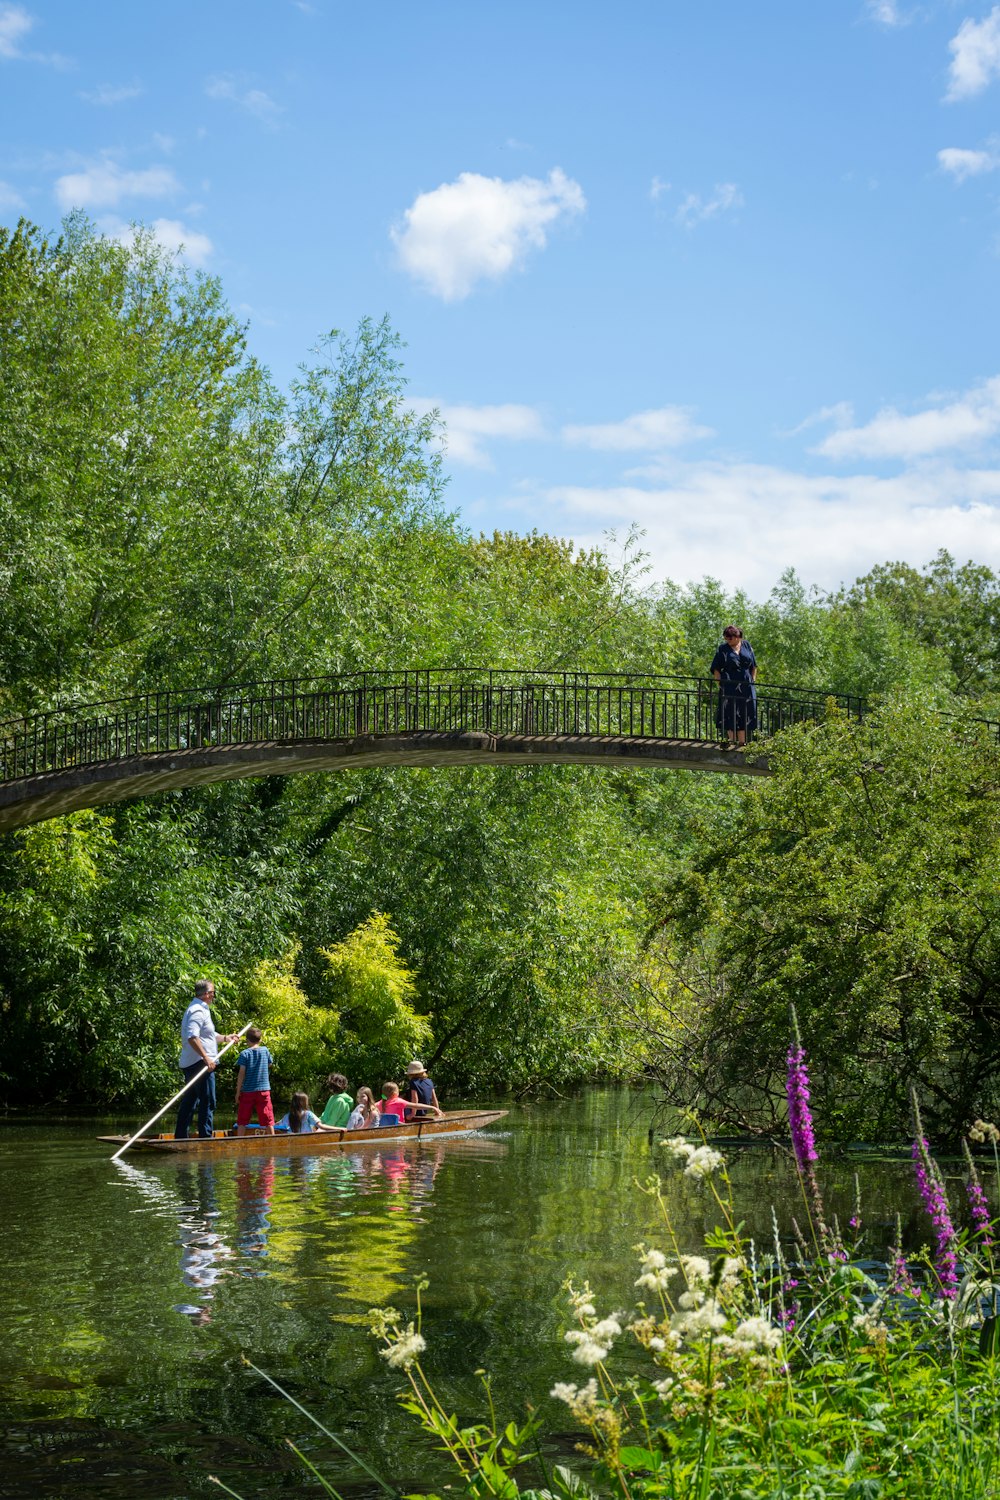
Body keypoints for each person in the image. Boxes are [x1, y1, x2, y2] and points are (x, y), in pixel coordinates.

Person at [175, 980, 237, 1140]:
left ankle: (181, 1136)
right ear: (207, 994)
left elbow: (207, 1035)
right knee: (208, 1101)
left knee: (190, 1101)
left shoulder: (201, 1009)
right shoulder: (197, 1011)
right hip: (199, 1064)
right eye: (213, 993)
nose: (214, 996)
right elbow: (192, 1037)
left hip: (195, 1063)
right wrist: (206, 1058)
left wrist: (225, 1038)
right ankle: (205, 1137)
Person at [710, 624, 758, 748]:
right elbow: (716, 668)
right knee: (729, 710)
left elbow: (754, 666)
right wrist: (720, 683)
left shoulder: (747, 646)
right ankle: (731, 740)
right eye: (726, 637)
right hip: (729, 685)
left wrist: (752, 680)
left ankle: (742, 741)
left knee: (745, 710)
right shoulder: (722, 649)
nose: (728, 639)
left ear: (738, 636)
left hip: (746, 685)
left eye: (730, 637)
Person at [234, 1026, 275, 1137]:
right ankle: (273, 1141)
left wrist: (238, 1092)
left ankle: (239, 1142)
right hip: (263, 1090)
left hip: (248, 1090)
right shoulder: (265, 1050)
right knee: (268, 1119)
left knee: (242, 1120)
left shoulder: (244, 1054)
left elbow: (241, 1073)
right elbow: (270, 1064)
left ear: (247, 1040)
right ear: (260, 1040)